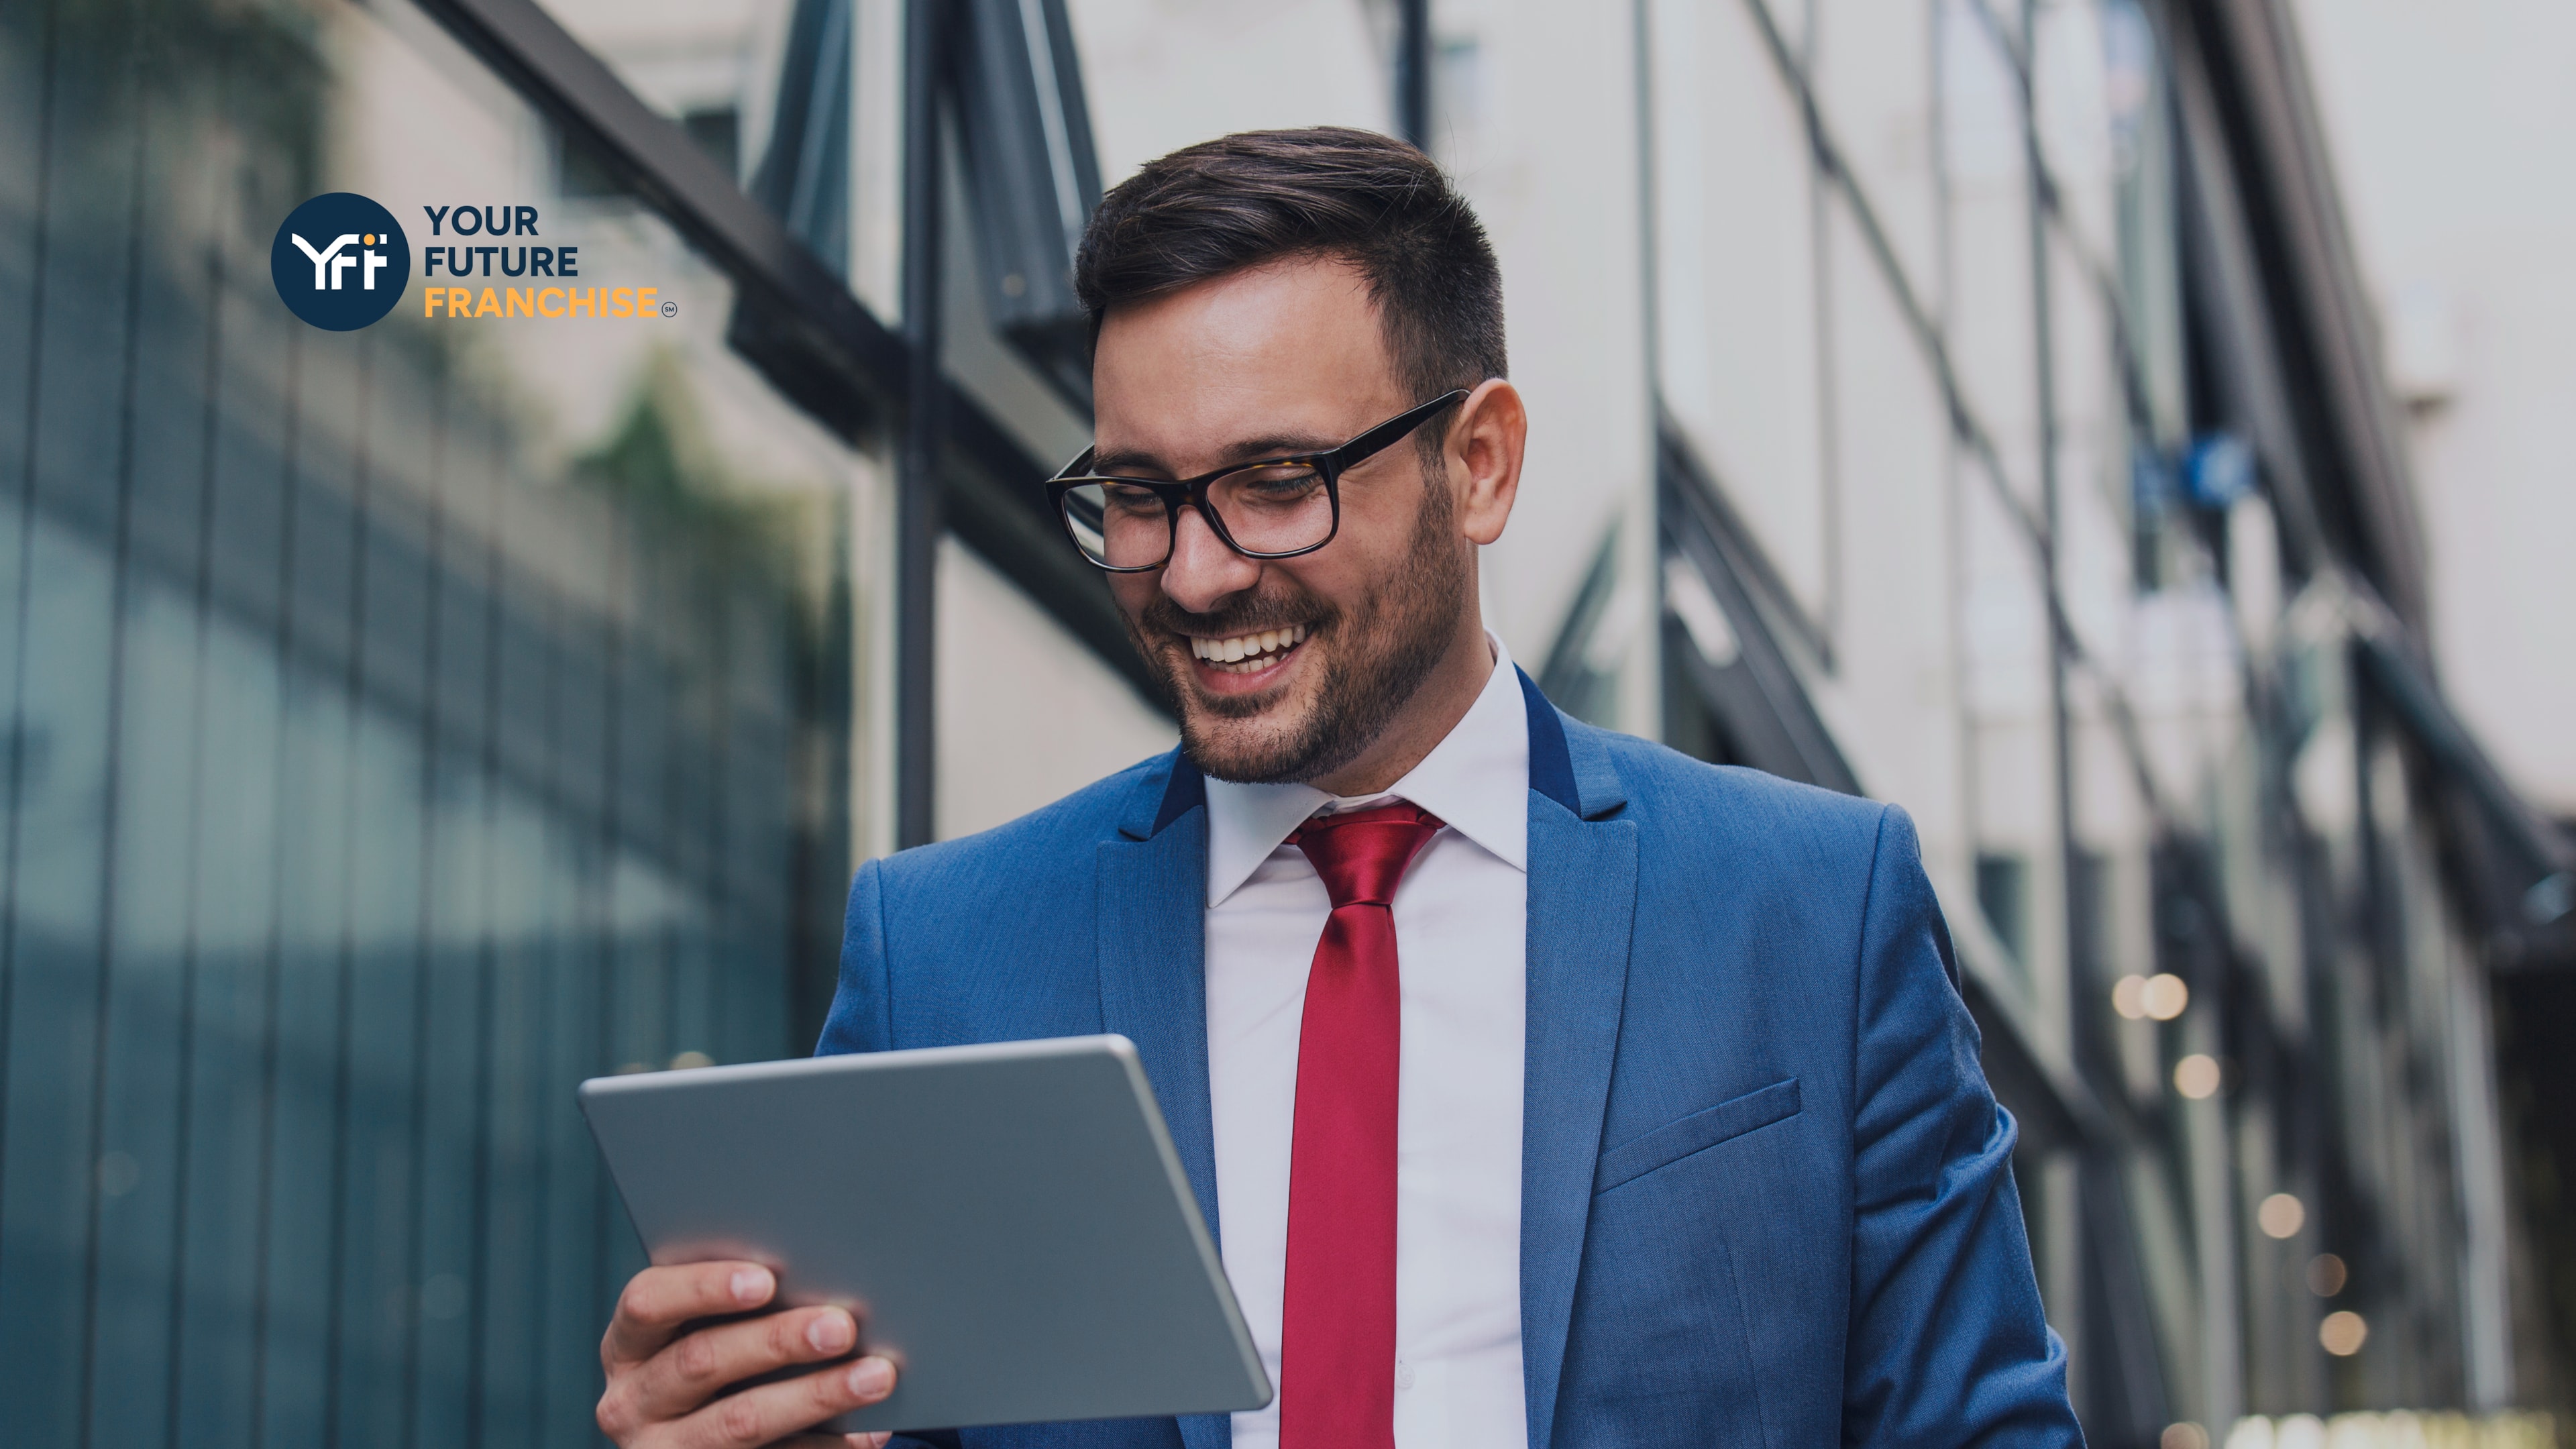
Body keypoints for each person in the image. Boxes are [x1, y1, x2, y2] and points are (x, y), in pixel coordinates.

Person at [593, 127, 2083, 1449]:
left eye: (1275, 481)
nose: (1193, 570)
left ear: (1481, 464)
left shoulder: (1810, 911)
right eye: (1134, 496)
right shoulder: (943, 954)